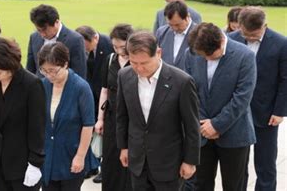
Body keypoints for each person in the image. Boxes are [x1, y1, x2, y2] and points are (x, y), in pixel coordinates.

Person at [116, 31, 200, 190]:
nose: (139, 68)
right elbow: (122, 116)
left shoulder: (182, 82)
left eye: (144, 63)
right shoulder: (124, 76)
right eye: (133, 62)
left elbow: (191, 126)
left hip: (168, 163)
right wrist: (123, 147)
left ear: (159, 53)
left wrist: (190, 161)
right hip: (137, 160)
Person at [185, 23, 257, 190]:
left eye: (208, 56)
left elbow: (242, 97)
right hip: (201, 133)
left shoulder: (245, 56)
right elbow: (189, 90)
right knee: (200, 184)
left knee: (234, 185)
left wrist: (217, 124)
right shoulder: (192, 52)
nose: (205, 59)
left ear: (220, 43)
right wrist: (203, 123)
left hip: (234, 133)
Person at [0, 38, 46, 191]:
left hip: (22, 164)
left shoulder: (31, 85)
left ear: (10, 65)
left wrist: (35, 163)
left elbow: (37, 127)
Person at [229, 7, 287, 191]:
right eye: (246, 33)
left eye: (254, 34)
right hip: (236, 112)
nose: (250, 38)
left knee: (266, 163)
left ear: (265, 26)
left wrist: (280, 111)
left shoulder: (281, 43)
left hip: (267, 112)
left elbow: (285, 79)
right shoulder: (231, 40)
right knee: (237, 164)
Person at [38, 42, 97, 191]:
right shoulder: (43, 85)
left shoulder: (80, 87)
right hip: (48, 155)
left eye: (53, 71)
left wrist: (80, 156)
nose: (49, 75)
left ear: (65, 64)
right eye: (44, 71)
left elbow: (88, 124)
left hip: (72, 155)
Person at [94, 24, 134, 191]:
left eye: (122, 46)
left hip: (132, 119)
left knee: (129, 160)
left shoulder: (138, 61)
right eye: (115, 46)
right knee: (110, 158)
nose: (118, 50)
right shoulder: (110, 59)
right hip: (111, 117)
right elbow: (104, 90)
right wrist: (100, 119)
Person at [75, 25, 113, 182]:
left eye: (86, 45)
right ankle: (90, 166)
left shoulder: (108, 45)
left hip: (105, 94)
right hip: (90, 93)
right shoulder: (81, 47)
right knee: (88, 130)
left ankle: (105, 170)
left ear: (95, 38)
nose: (84, 49)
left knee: (104, 133)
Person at [26, 4, 87, 78]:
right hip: (39, 87)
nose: (42, 34)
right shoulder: (34, 37)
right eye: (38, 30)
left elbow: (79, 73)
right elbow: (30, 69)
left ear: (56, 22)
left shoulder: (75, 40)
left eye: (45, 30)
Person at [155, 1, 197, 71]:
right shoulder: (161, 32)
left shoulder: (199, 34)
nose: (174, 28)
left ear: (187, 17)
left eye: (178, 25)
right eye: (170, 24)